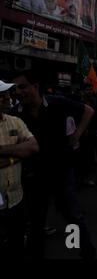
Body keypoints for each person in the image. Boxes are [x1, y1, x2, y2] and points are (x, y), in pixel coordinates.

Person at [11, 71, 96, 259]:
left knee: (73, 216)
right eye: (15, 88)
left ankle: (87, 253)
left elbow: (88, 111)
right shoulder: (15, 113)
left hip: (61, 171)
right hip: (33, 175)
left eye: (22, 86)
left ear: (35, 86)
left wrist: (77, 134)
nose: (18, 91)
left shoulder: (58, 103)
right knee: (35, 222)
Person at [0, 80, 39, 259]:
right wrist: (18, 155)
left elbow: (32, 147)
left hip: (16, 198)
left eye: (7, 94)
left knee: (17, 246)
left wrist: (5, 156)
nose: (8, 98)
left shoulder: (15, 121)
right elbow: (24, 150)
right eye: (2, 95)